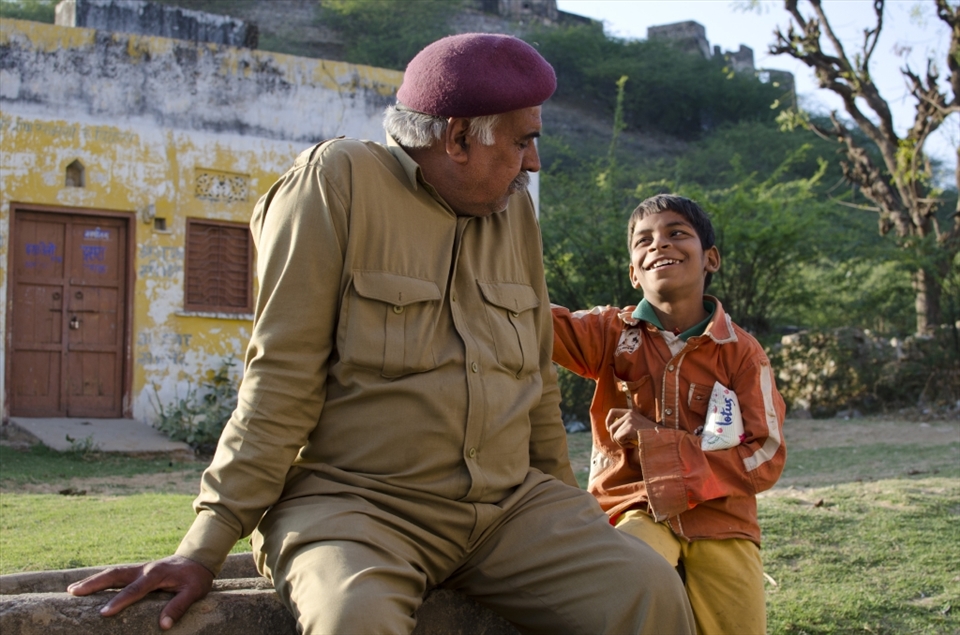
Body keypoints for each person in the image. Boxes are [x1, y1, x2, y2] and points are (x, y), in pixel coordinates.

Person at [68, 34, 695, 634]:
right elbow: (279, 378)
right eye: (524, 139)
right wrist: (203, 549)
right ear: (456, 139)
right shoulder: (336, 183)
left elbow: (532, 384)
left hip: (506, 509)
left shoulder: (514, 211)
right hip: (356, 509)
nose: (534, 160)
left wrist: (569, 517)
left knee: (647, 590)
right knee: (353, 619)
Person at [551, 194, 787, 635]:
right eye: (644, 240)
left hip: (722, 520)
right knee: (623, 583)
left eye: (676, 234)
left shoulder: (741, 354)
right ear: (633, 274)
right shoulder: (608, 334)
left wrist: (659, 442)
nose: (659, 245)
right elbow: (533, 323)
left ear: (709, 258)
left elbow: (766, 456)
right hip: (633, 507)